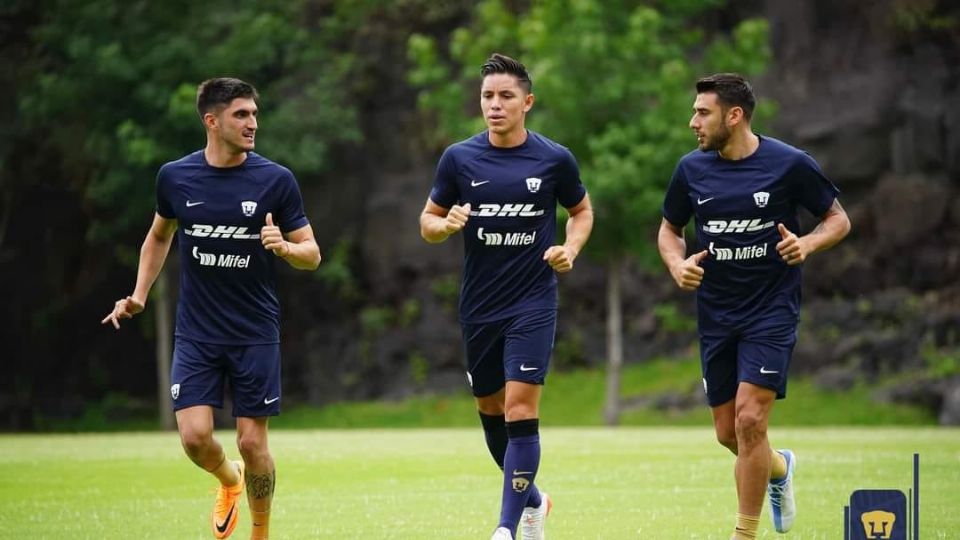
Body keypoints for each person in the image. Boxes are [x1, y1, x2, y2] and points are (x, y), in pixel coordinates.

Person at [101, 77, 321, 540]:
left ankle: (260, 534)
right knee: (196, 438)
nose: (252, 123)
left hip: (255, 332)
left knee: (251, 440)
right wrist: (139, 294)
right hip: (197, 332)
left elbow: (313, 254)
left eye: (255, 114)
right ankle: (229, 480)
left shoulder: (275, 180)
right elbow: (160, 235)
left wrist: (284, 247)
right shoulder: (175, 177)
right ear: (212, 120)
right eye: (241, 115)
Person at [658, 73, 851, 539]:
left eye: (702, 112)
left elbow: (838, 220)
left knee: (750, 418)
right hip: (716, 314)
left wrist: (806, 245)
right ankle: (780, 470)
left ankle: (744, 533)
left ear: (734, 115)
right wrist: (676, 264)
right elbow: (669, 230)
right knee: (729, 432)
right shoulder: (691, 170)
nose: (693, 122)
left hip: (771, 311)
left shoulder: (789, 164)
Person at [419, 53, 593, 540]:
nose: (494, 106)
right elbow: (427, 221)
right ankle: (535, 500)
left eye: (505, 97)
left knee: (520, 409)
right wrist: (444, 225)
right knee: (492, 412)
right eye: (487, 97)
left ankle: (505, 529)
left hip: (533, 302)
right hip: (479, 306)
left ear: (528, 102)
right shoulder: (459, 158)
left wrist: (570, 247)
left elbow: (581, 211)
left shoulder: (554, 159)